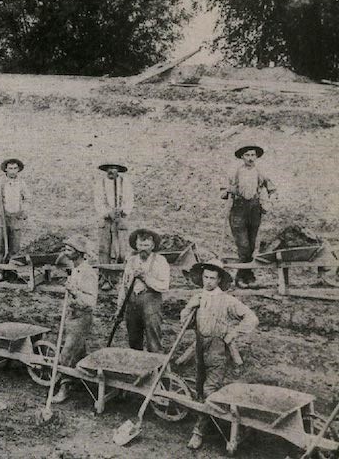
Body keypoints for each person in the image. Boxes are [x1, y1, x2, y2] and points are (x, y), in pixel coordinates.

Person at [181, 259, 259, 450]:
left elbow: (252, 318)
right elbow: (185, 322)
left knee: (210, 390)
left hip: (217, 349)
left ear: (219, 280)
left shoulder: (227, 300)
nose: (208, 281)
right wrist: (190, 307)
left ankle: (198, 433)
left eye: (212, 278)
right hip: (200, 347)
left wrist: (234, 333)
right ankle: (214, 421)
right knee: (200, 389)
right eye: (205, 277)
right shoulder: (198, 296)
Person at [52, 235, 98, 404]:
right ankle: (79, 380)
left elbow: (91, 302)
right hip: (72, 315)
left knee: (67, 352)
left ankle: (64, 388)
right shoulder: (75, 268)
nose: (66, 252)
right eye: (66, 248)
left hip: (82, 317)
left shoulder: (88, 273)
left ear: (79, 253)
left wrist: (74, 292)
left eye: (69, 250)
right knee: (78, 350)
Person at [222, 145, 276, 288]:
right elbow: (223, 192)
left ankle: (247, 275)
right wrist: (229, 190)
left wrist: (266, 201)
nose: (251, 158)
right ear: (242, 157)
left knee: (251, 246)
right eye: (247, 155)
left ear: (256, 157)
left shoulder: (260, 172)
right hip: (238, 211)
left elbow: (271, 188)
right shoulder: (235, 172)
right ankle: (242, 276)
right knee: (243, 246)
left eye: (253, 155)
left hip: (254, 210)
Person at [115, 228, 169, 353]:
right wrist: (120, 307)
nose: (143, 248)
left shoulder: (160, 261)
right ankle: (137, 367)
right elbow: (124, 285)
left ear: (153, 245)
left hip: (151, 302)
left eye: (146, 245)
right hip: (132, 302)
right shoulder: (131, 260)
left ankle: (156, 368)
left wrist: (146, 278)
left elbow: (164, 285)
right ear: (136, 245)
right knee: (133, 338)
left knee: (153, 338)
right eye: (140, 245)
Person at [0, 158, 31, 280]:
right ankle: (0, 271)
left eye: (15, 168)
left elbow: (27, 198)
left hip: (16, 217)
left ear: (18, 170)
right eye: (10, 168)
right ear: (5, 169)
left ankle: (12, 271)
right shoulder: (0, 182)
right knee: (1, 245)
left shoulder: (21, 183)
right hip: (3, 217)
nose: (12, 171)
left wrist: (24, 211)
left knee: (15, 246)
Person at [94, 163, 134, 290]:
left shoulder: (125, 183)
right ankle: (105, 279)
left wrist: (122, 211)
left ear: (118, 171)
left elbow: (129, 200)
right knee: (104, 250)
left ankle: (118, 279)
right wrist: (107, 213)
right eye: (109, 168)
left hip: (120, 219)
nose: (111, 171)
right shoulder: (100, 184)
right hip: (105, 220)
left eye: (114, 168)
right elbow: (98, 201)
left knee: (121, 251)